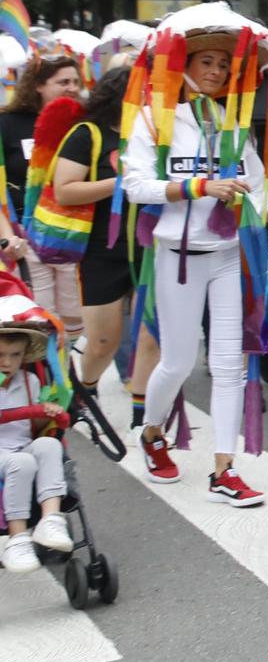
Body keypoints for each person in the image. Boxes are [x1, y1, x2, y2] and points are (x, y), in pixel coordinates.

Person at [123, 9, 268, 502]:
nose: (216, 71)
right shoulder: (155, 120)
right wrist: (199, 185)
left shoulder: (234, 126)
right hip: (177, 256)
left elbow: (257, 188)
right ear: (182, 64)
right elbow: (136, 186)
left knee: (230, 365)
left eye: (223, 64)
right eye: (206, 61)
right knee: (178, 362)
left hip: (229, 256)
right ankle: (150, 434)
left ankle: (224, 471)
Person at [50, 65, 158, 424]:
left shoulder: (157, 133)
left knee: (151, 339)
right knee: (101, 343)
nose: (151, 98)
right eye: (143, 91)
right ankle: (86, 387)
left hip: (152, 247)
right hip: (101, 252)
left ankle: (144, 418)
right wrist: (123, 183)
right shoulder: (87, 134)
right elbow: (65, 190)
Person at [1, 52, 84, 346]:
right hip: (25, 235)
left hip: (72, 234)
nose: (72, 88)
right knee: (42, 317)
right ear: (38, 85)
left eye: (76, 81)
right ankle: (53, 381)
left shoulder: (83, 124)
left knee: (76, 319)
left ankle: (77, 379)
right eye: (63, 82)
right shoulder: (8, 123)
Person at [0, 322, 72, 572]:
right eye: (0, 355)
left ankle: (50, 520)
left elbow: (33, 423)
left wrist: (47, 411)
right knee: (23, 462)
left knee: (49, 445)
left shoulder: (29, 381)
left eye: (15, 355)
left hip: (21, 447)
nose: (7, 362)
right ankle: (17, 538)